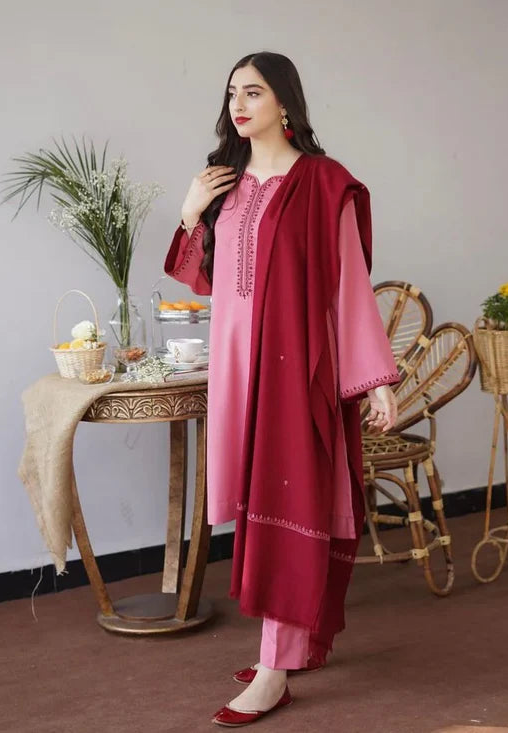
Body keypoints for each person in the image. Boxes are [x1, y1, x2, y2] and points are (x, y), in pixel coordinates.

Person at [164, 51, 399, 727]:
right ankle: (287, 646)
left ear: (285, 103)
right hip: (237, 368)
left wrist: (376, 377)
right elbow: (205, 279)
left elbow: (349, 283)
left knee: (287, 497)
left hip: (296, 369)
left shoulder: (324, 182)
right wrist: (190, 211)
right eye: (232, 93)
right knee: (263, 498)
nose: (239, 105)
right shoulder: (225, 182)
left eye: (254, 92)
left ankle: (273, 671)